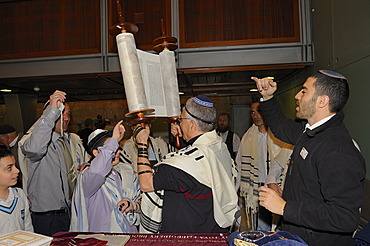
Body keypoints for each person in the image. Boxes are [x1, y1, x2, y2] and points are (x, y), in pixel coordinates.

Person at [254, 70, 366, 245]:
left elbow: (345, 216)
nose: (297, 96)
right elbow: (280, 126)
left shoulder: (337, 150)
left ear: (322, 101)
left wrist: (284, 208)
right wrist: (268, 98)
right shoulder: (310, 132)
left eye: (304, 91)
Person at [135, 95, 238, 233]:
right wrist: (185, 138)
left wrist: (142, 145)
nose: (178, 123)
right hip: (213, 231)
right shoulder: (220, 146)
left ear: (192, 125)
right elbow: (198, 156)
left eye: (181, 120)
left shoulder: (182, 165)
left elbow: (146, 184)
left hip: (187, 237)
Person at [20, 90, 88, 236]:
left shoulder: (71, 141)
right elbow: (34, 150)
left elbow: (81, 166)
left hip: (71, 212)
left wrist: (86, 168)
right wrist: (52, 112)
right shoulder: (35, 141)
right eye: (61, 113)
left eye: (68, 113)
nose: (66, 118)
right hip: (47, 218)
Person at [70, 121, 140, 233]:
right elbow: (98, 169)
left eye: (117, 147)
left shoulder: (126, 172)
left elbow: (140, 199)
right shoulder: (88, 176)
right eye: (111, 148)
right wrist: (114, 140)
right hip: (102, 239)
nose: (117, 152)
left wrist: (132, 205)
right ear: (96, 153)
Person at [236, 101, 293, 231]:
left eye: (259, 111)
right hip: (257, 186)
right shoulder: (247, 137)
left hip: (277, 186)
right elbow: (240, 165)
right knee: (260, 227)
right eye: (253, 112)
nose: (256, 115)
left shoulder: (280, 135)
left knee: (277, 226)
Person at [120, 122, 172, 233]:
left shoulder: (160, 143)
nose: (142, 130)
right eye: (138, 126)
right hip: (141, 194)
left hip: (161, 193)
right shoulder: (127, 147)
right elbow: (125, 173)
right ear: (133, 129)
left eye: (145, 126)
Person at [0, 149, 33, 234]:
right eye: (9, 168)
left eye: (15, 166)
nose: (17, 170)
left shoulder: (19, 194)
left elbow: (28, 228)